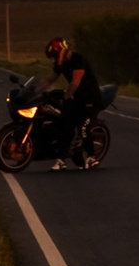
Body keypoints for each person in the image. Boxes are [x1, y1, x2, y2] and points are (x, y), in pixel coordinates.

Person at [44, 36, 104, 171]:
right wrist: (37, 91)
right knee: (65, 125)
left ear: (61, 52)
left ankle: (92, 157)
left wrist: (66, 96)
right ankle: (61, 160)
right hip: (76, 99)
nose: (54, 60)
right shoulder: (61, 64)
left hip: (90, 99)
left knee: (83, 127)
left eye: (54, 57)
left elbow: (75, 82)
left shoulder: (78, 60)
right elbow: (50, 79)